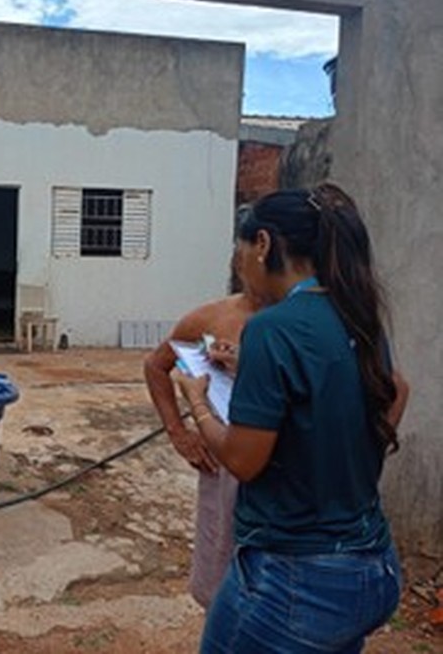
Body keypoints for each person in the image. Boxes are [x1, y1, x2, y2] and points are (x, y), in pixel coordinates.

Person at [175, 183, 409, 654]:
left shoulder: (272, 327)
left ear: (262, 244)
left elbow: (243, 461)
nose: (239, 264)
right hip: (372, 569)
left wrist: (197, 401)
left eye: (240, 249)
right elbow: (394, 391)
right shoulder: (358, 314)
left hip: (294, 579)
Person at [144, 266, 260, 608]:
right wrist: (178, 433)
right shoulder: (214, 316)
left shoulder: (305, 321)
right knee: (220, 560)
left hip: (281, 468)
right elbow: (156, 366)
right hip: (223, 463)